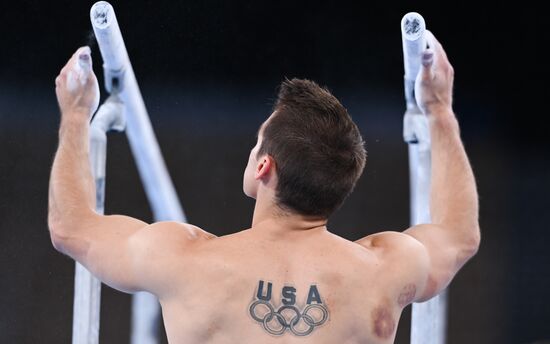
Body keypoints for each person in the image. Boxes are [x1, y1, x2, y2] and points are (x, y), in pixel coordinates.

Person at [48, 30, 480, 343]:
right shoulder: (386, 270)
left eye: (257, 142)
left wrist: (75, 115)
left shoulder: (184, 260)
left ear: (264, 167)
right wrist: (440, 111)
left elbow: (71, 227)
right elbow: (457, 237)